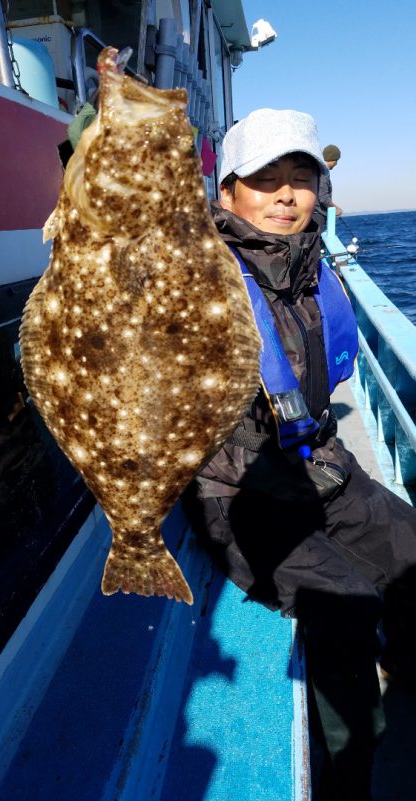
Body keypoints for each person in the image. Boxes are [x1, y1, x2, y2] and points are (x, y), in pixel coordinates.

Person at [182, 108, 416, 801]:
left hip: (321, 467)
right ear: (226, 193)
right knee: (343, 607)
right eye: (264, 180)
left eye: (300, 178)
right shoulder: (196, 279)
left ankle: (404, 666)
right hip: (241, 492)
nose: (286, 195)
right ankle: (350, 786)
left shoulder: (316, 266)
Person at [313, 143, 343, 229]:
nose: (336, 164)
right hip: (318, 216)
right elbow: (323, 197)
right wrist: (336, 209)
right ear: (333, 159)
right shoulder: (323, 172)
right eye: (337, 160)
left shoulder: (317, 169)